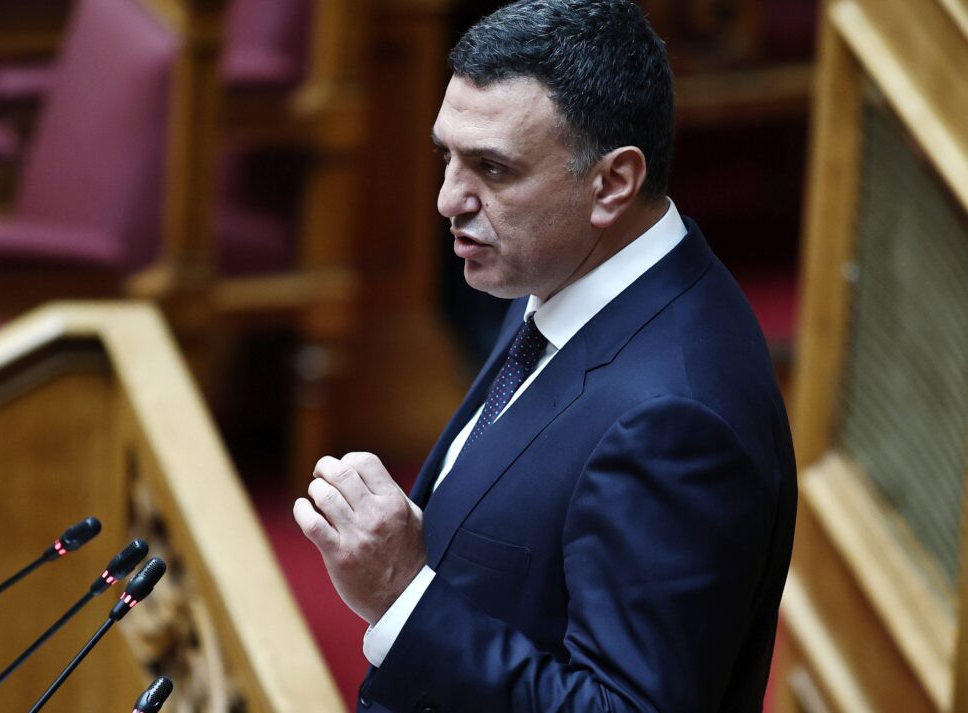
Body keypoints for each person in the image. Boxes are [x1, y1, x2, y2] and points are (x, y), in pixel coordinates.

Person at [292, 1, 797, 710]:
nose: (448, 200)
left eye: (492, 168)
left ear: (612, 183)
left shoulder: (676, 423)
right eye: (446, 157)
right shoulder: (561, 268)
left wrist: (402, 596)